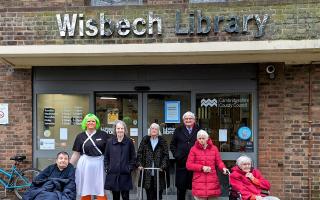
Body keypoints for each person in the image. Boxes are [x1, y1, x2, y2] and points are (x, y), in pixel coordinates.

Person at [70, 113, 109, 200]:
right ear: (85, 123)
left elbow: (109, 151)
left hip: (99, 164)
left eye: (93, 121)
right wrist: (69, 166)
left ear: (96, 123)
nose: (91, 122)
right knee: (85, 187)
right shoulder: (80, 136)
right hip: (85, 164)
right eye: (88, 121)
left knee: (100, 188)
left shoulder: (103, 135)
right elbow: (76, 153)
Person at [186, 130, 229, 200]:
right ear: (197, 139)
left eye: (203, 138)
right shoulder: (193, 149)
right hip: (199, 182)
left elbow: (219, 162)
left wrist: (223, 168)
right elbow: (188, 165)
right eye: (199, 138)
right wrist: (202, 167)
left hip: (212, 181)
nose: (201, 140)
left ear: (207, 138)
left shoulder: (214, 148)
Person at [170, 111, 200, 200]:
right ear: (183, 120)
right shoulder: (178, 130)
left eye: (190, 118)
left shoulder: (199, 130)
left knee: (196, 188)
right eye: (186, 119)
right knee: (181, 189)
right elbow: (172, 145)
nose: (188, 120)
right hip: (181, 163)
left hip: (195, 164)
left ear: (194, 120)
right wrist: (177, 155)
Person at [104, 120, 136, 200]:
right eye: (118, 128)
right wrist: (107, 168)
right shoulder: (109, 142)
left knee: (125, 197)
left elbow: (133, 157)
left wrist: (129, 168)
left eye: (122, 128)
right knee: (115, 197)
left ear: (125, 130)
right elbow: (106, 157)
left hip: (125, 174)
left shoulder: (129, 142)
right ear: (115, 130)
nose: (120, 130)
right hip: (113, 174)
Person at [137, 123, 170, 200]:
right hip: (147, 172)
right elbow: (139, 153)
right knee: (149, 195)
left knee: (158, 195)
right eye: (152, 128)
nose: (154, 130)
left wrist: (163, 166)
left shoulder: (162, 140)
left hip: (159, 172)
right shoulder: (145, 140)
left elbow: (166, 155)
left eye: (156, 129)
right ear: (150, 130)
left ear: (158, 131)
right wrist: (140, 164)